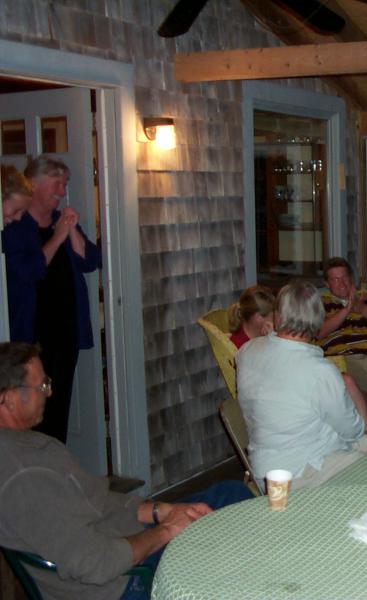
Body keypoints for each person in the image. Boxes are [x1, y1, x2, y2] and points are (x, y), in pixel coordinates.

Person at [0, 342, 252, 600]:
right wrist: (166, 531)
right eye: (41, 386)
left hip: (124, 538)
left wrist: (159, 511)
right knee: (231, 533)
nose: (49, 392)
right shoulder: (24, 478)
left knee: (232, 495)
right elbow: (95, 563)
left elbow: (95, 498)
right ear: (7, 399)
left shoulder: (28, 445)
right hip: (123, 583)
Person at [237, 280, 367, 491]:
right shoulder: (319, 371)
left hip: (263, 467)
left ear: (278, 316)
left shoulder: (246, 351)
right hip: (300, 473)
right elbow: (353, 432)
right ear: (318, 321)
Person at [2, 155, 101, 443]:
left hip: (66, 330)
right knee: (30, 405)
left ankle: (56, 456)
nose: (62, 191)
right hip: (32, 332)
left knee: (58, 402)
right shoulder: (15, 227)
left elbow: (90, 261)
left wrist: (71, 231)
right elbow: (29, 270)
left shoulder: (61, 221)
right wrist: (57, 237)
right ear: (34, 185)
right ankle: (32, 460)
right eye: (56, 183)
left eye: (65, 184)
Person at [317, 257, 367, 398]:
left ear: (351, 279)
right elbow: (318, 332)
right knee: (359, 395)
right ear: (327, 284)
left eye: (344, 277)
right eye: (335, 279)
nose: (341, 283)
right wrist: (346, 310)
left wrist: (363, 308)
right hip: (343, 360)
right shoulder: (320, 303)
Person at [227, 284, 276, 348]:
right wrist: (272, 340)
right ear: (258, 317)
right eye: (273, 316)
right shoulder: (242, 348)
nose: (274, 319)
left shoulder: (243, 334)